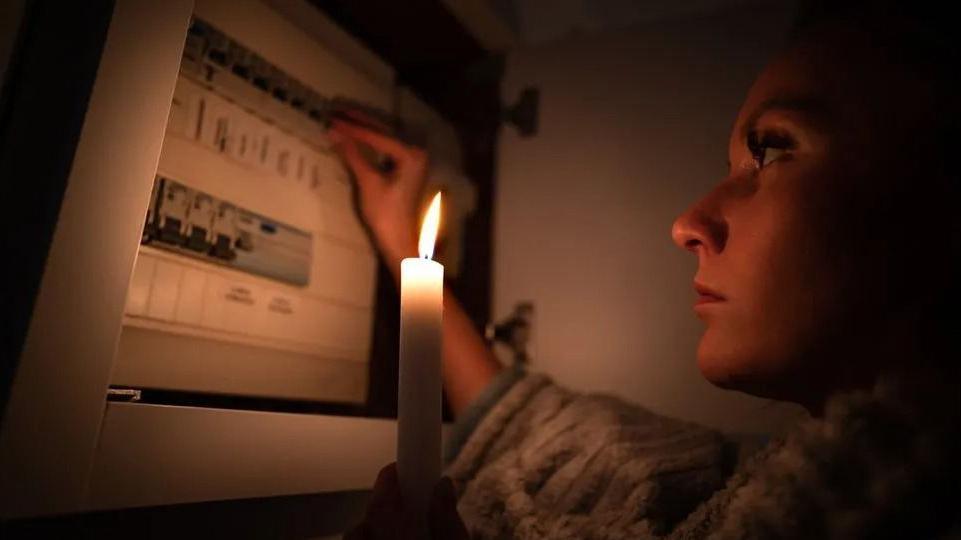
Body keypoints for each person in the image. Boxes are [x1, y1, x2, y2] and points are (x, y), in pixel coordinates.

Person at [337, 2, 959, 538]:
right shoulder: (758, 478)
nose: (687, 223)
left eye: (770, 150)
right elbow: (549, 436)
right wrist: (404, 249)